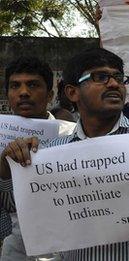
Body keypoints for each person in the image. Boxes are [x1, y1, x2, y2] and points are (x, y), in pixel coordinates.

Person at [0, 48, 129, 260]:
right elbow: (16, 209)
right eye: (100, 77)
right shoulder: (52, 152)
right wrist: (6, 170)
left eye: (118, 77)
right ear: (72, 92)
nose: (114, 84)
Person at [0, 57, 76, 260]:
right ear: (8, 95)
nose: (24, 92)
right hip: (18, 247)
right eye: (15, 86)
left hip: (71, 246)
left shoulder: (73, 135)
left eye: (33, 85)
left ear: (50, 95)